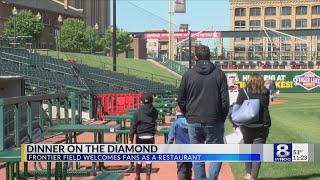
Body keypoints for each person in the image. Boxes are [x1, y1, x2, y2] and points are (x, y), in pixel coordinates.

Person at [178, 45, 229, 180]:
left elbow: (181, 100)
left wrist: (188, 114)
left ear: (195, 58)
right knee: (217, 153)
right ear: (209, 56)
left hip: (194, 120)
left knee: (197, 155)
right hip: (214, 120)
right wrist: (221, 118)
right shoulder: (219, 74)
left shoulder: (188, 74)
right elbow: (225, 102)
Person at [234, 73, 271, 180]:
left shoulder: (243, 91)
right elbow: (266, 106)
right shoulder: (265, 92)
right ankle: (253, 177)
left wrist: (235, 124)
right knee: (257, 152)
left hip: (246, 125)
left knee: (247, 150)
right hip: (261, 125)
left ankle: (248, 174)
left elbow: (237, 108)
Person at [130, 92, 158, 180]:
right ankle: (148, 177)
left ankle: (137, 176)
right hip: (150, 136)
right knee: (149, 158)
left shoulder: (138, 111)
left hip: (140, 137)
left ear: (142, 101)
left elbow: (133, 125)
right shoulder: (154, 111)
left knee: (139, 157)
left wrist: (131, 138)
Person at [167, 106, 192, 180]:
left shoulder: (175, 123)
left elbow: (171, 137)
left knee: (181, 169)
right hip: (191, 149)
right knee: (189, 168)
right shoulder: (191, 123)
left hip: (179, 150)